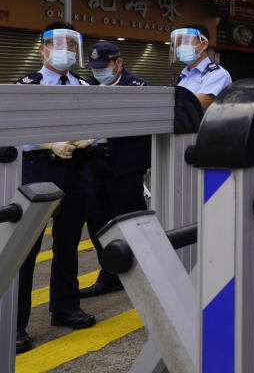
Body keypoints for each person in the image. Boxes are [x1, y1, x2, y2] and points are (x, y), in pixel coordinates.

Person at [14, 22, 96, 353]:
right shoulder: (26, 85)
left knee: (69, 241)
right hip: (38, 167)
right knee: (27, 247)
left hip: (76, 168)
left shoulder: (84, 85)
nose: (66, 51)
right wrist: (47, 141)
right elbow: (14, 128)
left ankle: (64, 307)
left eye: (71, 45)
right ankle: (15, 323)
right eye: (58, 44)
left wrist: (90, 138)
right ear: (42, 49)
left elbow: (99, 123)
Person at [79, 41, 150, 298]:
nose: (99, 72)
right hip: (93, 164)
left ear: (119, 62)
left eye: (104, 66)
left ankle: (144, 273)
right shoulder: (84, 86)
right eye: (95, 67)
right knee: (98, 224)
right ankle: (110, 273)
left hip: (125, 165)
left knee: (132, 222)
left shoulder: (138, 87)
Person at [171, 23, 231, 109]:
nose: (180, 47)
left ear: (204, 45)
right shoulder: (184, 76)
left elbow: (190, 108)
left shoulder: (217, 75)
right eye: (178, 43)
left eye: (186, 41)